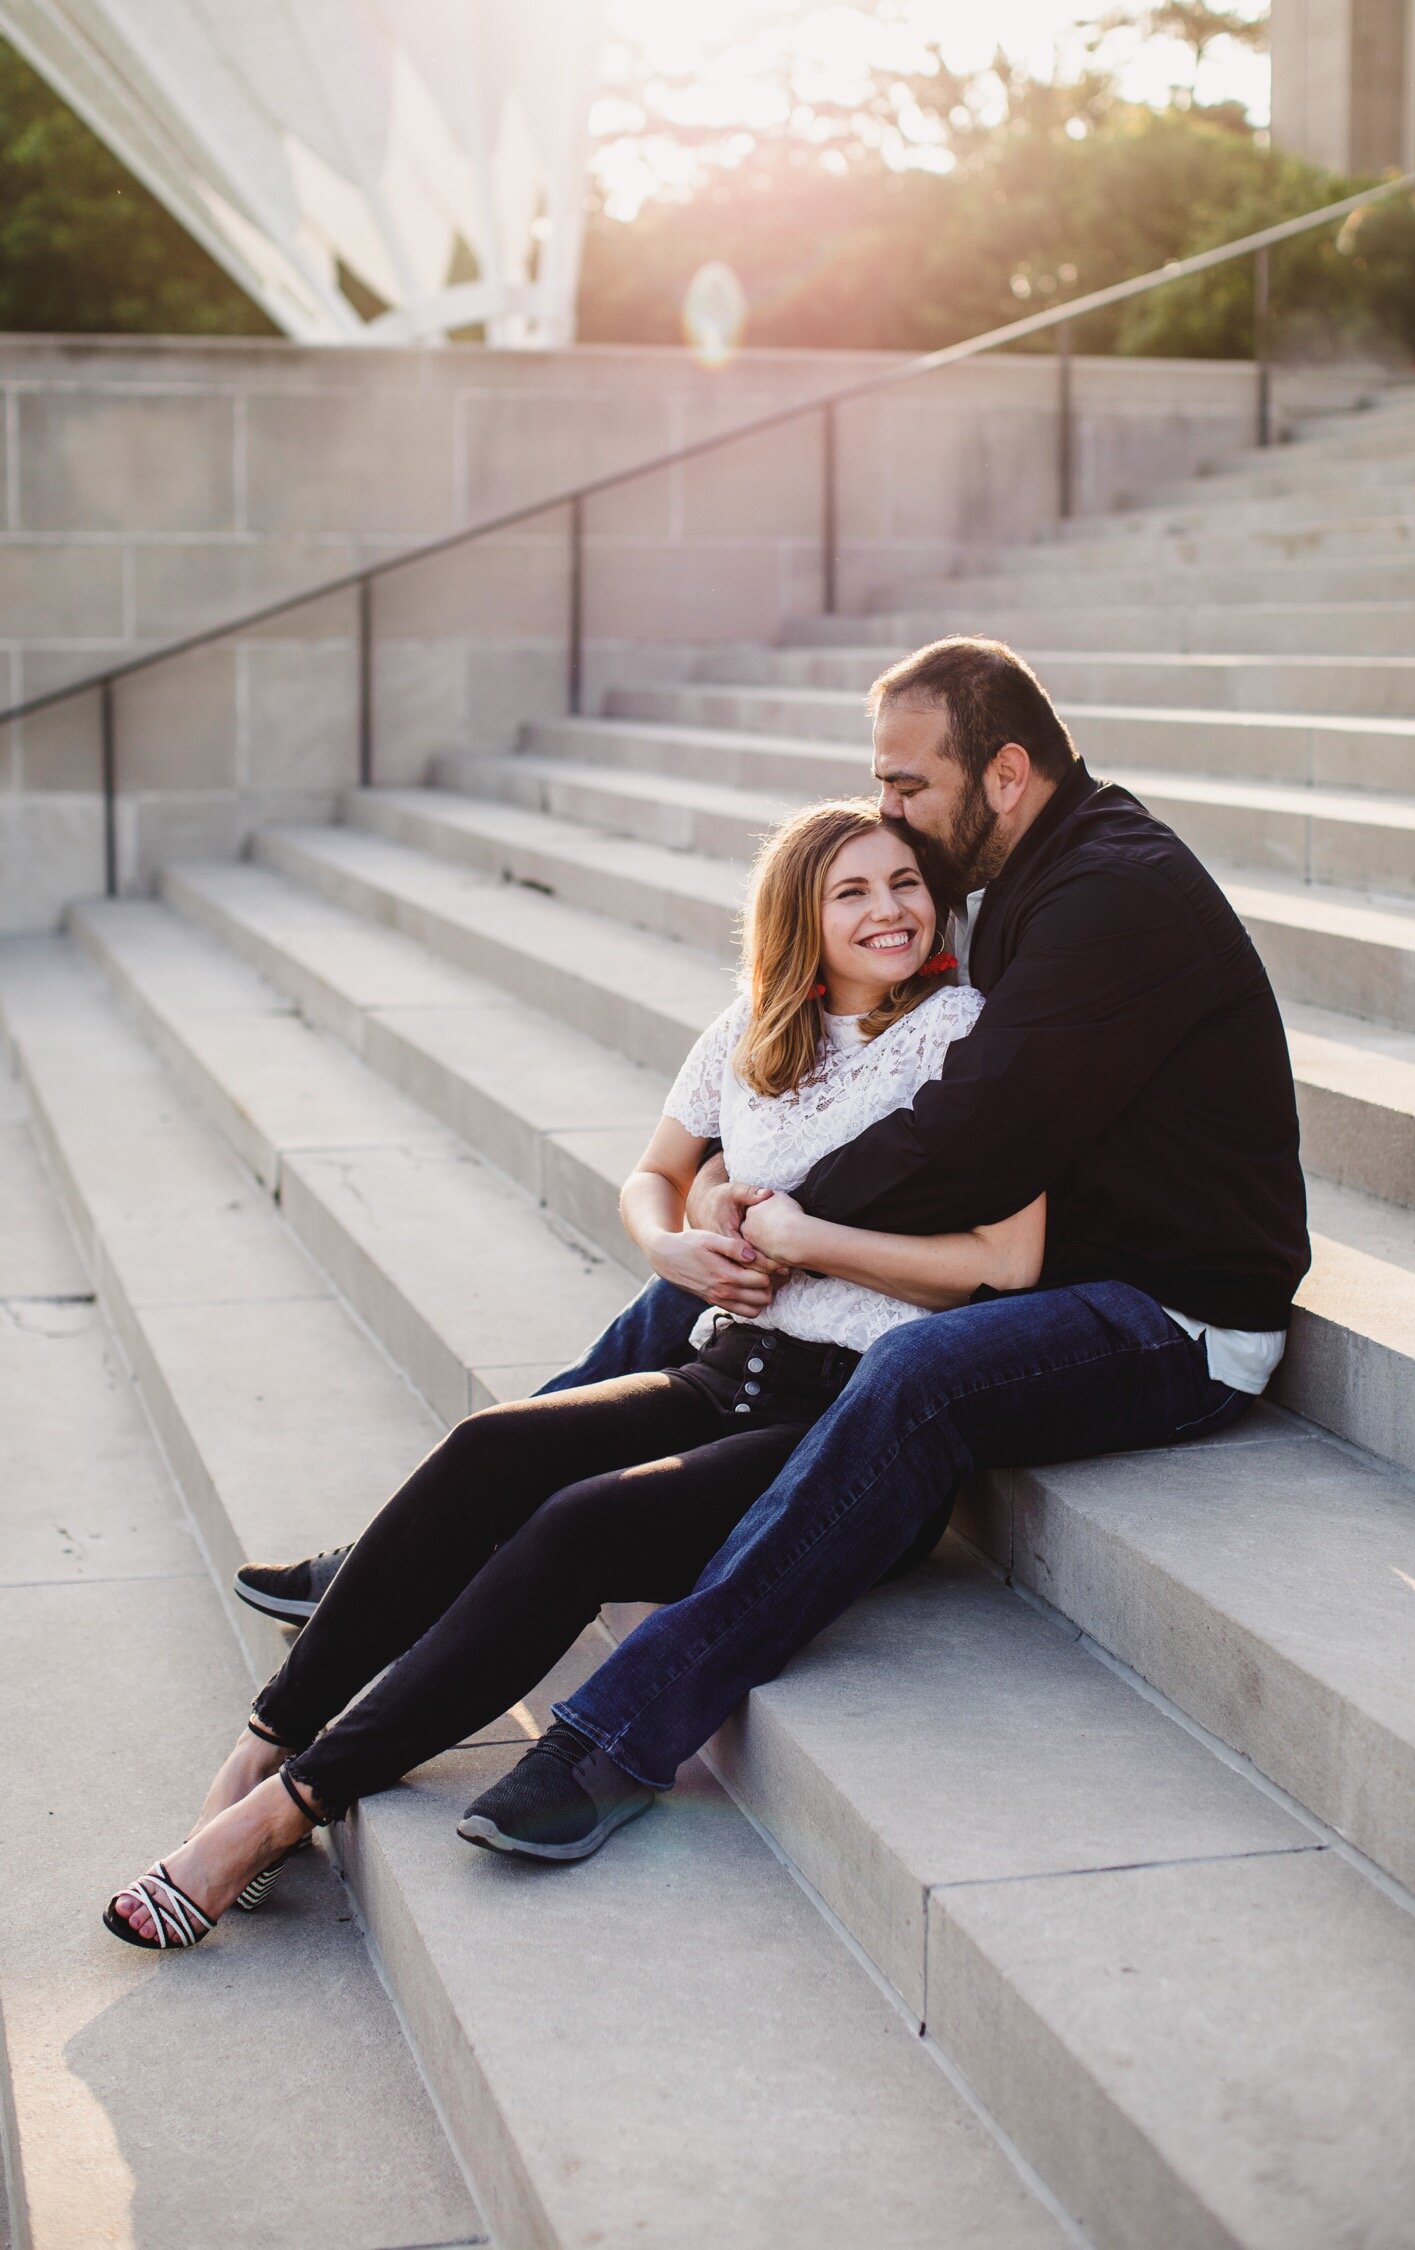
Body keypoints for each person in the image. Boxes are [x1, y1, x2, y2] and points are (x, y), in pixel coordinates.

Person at [228, 633, 1310, 1872]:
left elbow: (972, 1140)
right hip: (1063, 1254)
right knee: (689, 1299)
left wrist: (765, 1212)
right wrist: (725, 1242)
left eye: (909, 788)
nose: (890, 809)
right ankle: (429, 1547)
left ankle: (615, 1739)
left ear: (1006, 775)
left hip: (1169, 1316)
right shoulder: (1029, 881)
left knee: (912, 1373)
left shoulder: (1113, 894)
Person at [103, 799, 1046, 1948]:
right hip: (725, 1370)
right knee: (493, 1447)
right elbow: (655, 1173)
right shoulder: (757, 1026)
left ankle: (280, 1812)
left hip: (850, 1421)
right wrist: (674, 1243)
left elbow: (1005, 1265)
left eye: (906, 882)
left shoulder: (966, 1033)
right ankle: (263, 1741)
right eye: (852, 891)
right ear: (799, 915)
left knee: (577, 1527)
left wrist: (810, 1245)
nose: (891, 909)